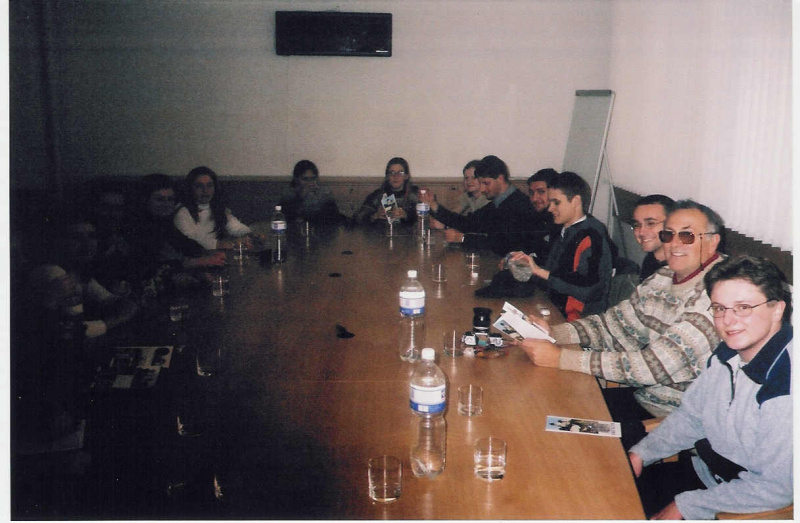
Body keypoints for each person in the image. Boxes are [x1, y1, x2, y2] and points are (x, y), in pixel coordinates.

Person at [520, 200, 726, 449]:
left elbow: (651, 367)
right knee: (544, 410)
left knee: (562, 443)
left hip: (672, 421)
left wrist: (560, 358)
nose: (674, 244)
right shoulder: (662, 278)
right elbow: (613, 326)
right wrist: (554, 333)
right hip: (642, 399)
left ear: (713, 241)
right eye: (668, 235)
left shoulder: (719, 295)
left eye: (687, 236)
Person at [629, 255, 792, 519]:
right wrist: (641, 454)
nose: (728, 320)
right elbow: (692, 417)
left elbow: (775, 487)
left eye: (743, 307)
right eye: (719, 308)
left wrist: (687, 506)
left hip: (746, 505)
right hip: (707, 477)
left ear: (777, 309)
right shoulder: (726, 354)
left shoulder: (785, 385)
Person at [507, 171, 616, 320]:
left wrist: (540, 271)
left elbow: (588, 291)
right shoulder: (565, 230)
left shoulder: (591, 235)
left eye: (556, 202)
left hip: (578, 320)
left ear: (576, 201)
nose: (550, 208)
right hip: (554, 308)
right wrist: (527, 267)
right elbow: (555, 275)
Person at [126, 174, 225, 302]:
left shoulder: (163, 221)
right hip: (139, 295)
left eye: (170, 199)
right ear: (145, 200)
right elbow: (152, 266)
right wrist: (196, 263)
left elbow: (186, 244)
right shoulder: (137, 227)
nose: (167, 204)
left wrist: (207, 255)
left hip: (164, 289)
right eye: (160, 199)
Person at [419, 155, 540, 257]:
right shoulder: (499, 203)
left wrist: (463, 238)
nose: (482, 189)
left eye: (486, 183)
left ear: (500, 178)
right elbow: (468, 223)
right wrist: (433, 204)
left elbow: (503, 245)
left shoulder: (520, 204)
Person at [174, 166, 263, 251]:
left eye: (209, 185)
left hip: (215, 255)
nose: (205, 191)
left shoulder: (217, 207)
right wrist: (223, 244)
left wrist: (251, 234)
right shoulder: (182, 212)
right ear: (190, 188)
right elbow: (193, 238)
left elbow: (235, 227)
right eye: (199, 186)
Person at [354, 157, 419, 224]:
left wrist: (406, 215)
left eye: (400, 173)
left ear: (406, 176)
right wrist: (375, 215)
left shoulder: (415, 194)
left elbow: (423, 218)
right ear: (387, 176)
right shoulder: (378, 195)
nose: (396, 176)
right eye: (392, 172)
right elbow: (358, 217)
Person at [278, 160, 343, 225]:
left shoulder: (324, 194)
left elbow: (333, 217)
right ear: (296, 180)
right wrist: (301, 198)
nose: (310, 182)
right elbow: (284, 218)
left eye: (313, 178)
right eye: (305, 179)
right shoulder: (288, 194)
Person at [632, 194, 675, 282]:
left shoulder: (681, 270)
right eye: (637, 225)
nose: (641, 232)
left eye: (651, 223)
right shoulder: (651, 260)